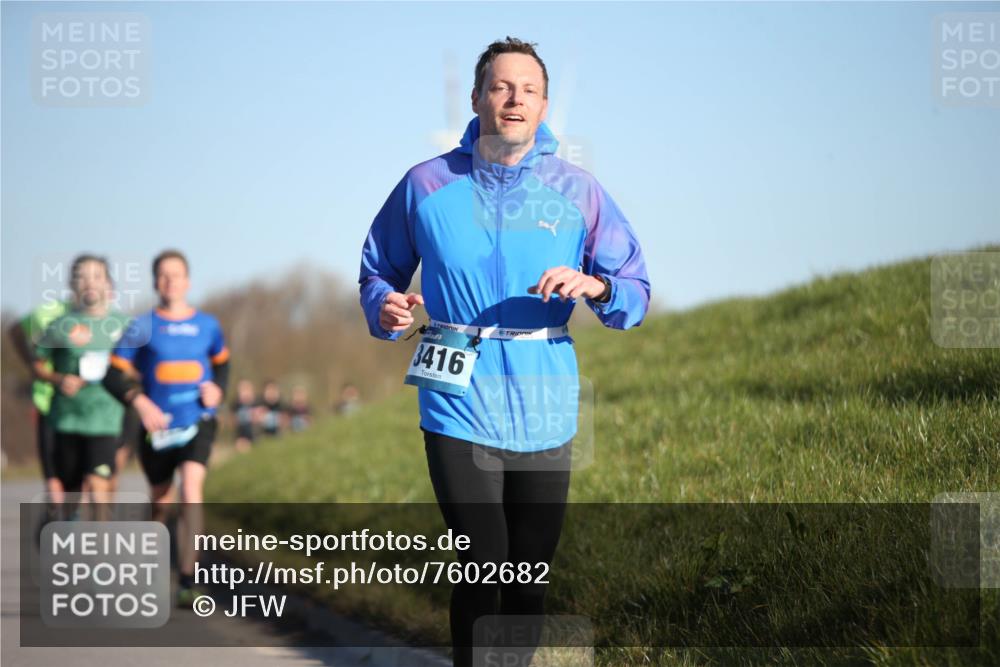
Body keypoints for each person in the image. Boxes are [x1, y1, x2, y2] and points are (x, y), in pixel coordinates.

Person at [358, 37, 649, 666]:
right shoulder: (425, 185)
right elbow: (377, 272)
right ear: (477, 97)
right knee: (484, 559)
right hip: (456, 394)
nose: (514, 99)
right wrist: (384, 306)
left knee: (527, 577)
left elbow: (635, 291)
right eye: (500, 85)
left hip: (544, 394)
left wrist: (595, 285)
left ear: (545, 105)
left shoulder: (579, 190)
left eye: (529, 89)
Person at [102, 249, 230, 606]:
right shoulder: (141, 326)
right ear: (155, 281)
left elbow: (223, 366)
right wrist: (140, 402)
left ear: (187, 281)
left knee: (191, 489)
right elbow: (111, 375)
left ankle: (188, 579)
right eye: (163, 275)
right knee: (161, 501)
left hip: (198, 421)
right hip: (156, 428)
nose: (170, 281)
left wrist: (217, 389)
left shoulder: (208, 325)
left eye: (176, 274)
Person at [31, 255, 130, 510]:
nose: (89, 283)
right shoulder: (60, 325)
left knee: (99, 488)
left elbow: (139, 369)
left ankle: (100, 545)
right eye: (82, 277)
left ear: (108, 284)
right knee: (71, 500)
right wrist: (59, 378)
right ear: (72, 284)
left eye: (97, 276)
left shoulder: (125, 326)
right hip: (68, 422)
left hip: (107, 421)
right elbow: (37, 365)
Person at [8, 298, 69, 505]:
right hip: (49, 401)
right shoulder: (49, 313)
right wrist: (32, 364)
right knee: (55, 485)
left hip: (93, 411)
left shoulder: (106, 319)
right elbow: (15, 330)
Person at [230, 379, 257, 452]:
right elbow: (233, 418)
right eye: (242, 391)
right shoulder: (236, 405)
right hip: (240, 432)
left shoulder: (254, 404)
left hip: (251, 431)